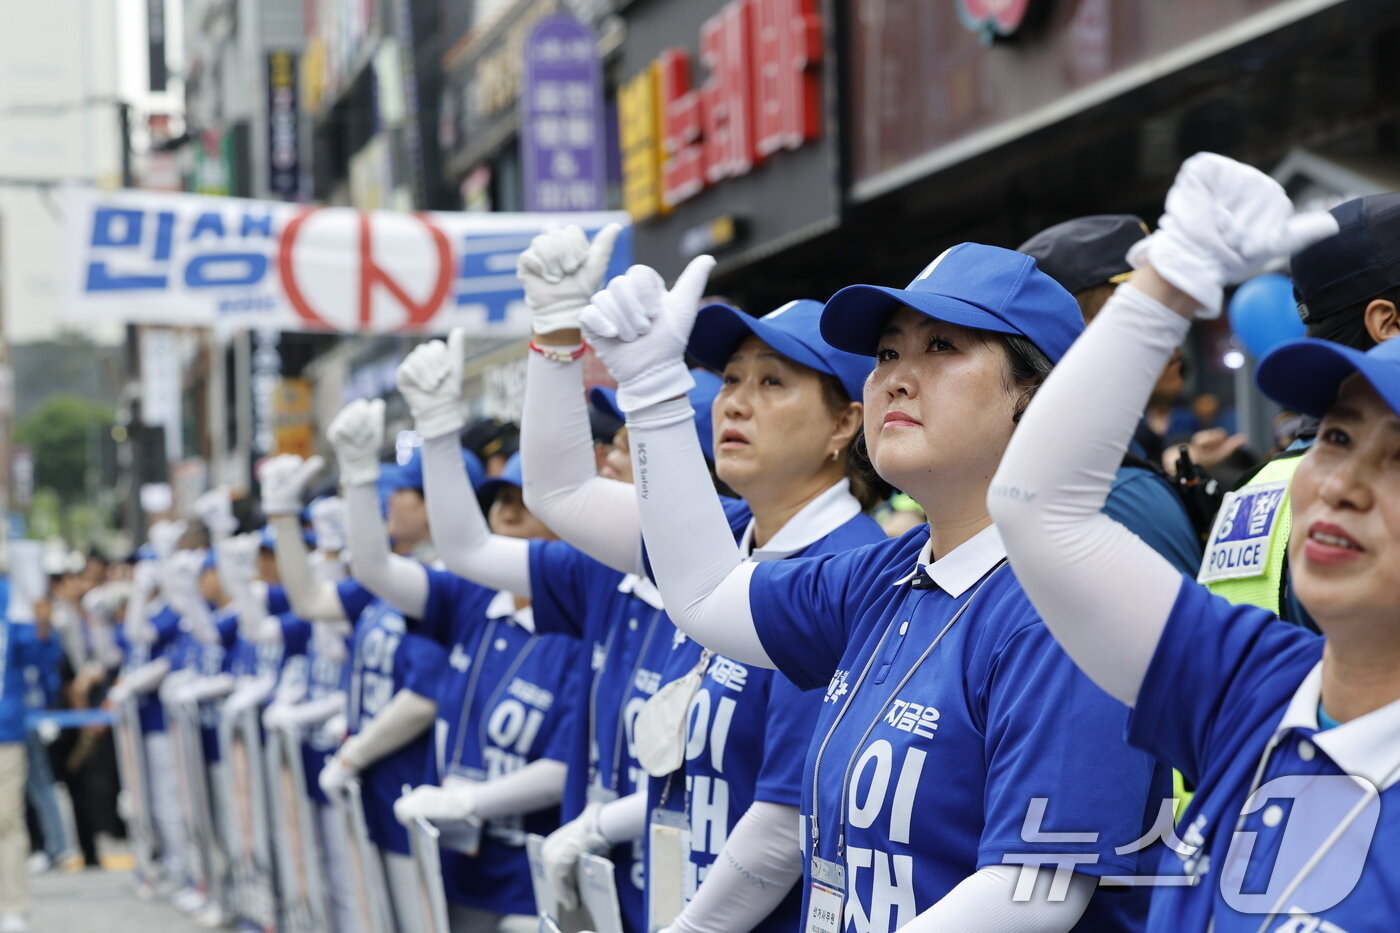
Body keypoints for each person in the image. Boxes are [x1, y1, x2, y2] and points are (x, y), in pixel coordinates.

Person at [578, 241, 1171, 931]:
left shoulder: (1073, 602)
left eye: (942, 347)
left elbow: (1031, 895)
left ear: (1038, 399)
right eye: (888, 353)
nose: (895, 378)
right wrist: (652, 389)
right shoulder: (886, 573)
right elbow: (706, 595)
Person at [985, 153, 1400, 930]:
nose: (1341, 482)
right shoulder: (1256, 686)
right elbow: (1036, 507)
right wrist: (1171, 278)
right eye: (1338, 436)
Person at [520, 226, 892, 933]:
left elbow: (782, 825)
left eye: (772, 381)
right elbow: (560, 490)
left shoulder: (846, 567)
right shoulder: (717, 533)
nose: (736, 403)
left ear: (845, 423)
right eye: (730, 379)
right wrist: (554, 334)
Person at [387, 327, 727, 933]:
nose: (610, 458)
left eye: (631, 444)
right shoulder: (604, 576)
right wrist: (439, 432)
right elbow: (469, 549)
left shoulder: (744, 587)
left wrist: (600, 825)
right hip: (596, 888)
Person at [1195, 192, 1400, 632]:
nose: (1340, 486)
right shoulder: (1369, 503)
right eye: (1339, 439)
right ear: (1388, 324)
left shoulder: (1254, 486)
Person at [264, 450, 447, 933]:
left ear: (434, 502)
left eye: (395, 493)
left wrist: (352, 755)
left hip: (415, 776)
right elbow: (309, 603)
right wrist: (284, 518)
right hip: (373, 775)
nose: (382, 504)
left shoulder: (445, 581)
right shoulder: (385, 581)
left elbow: (424, 695)